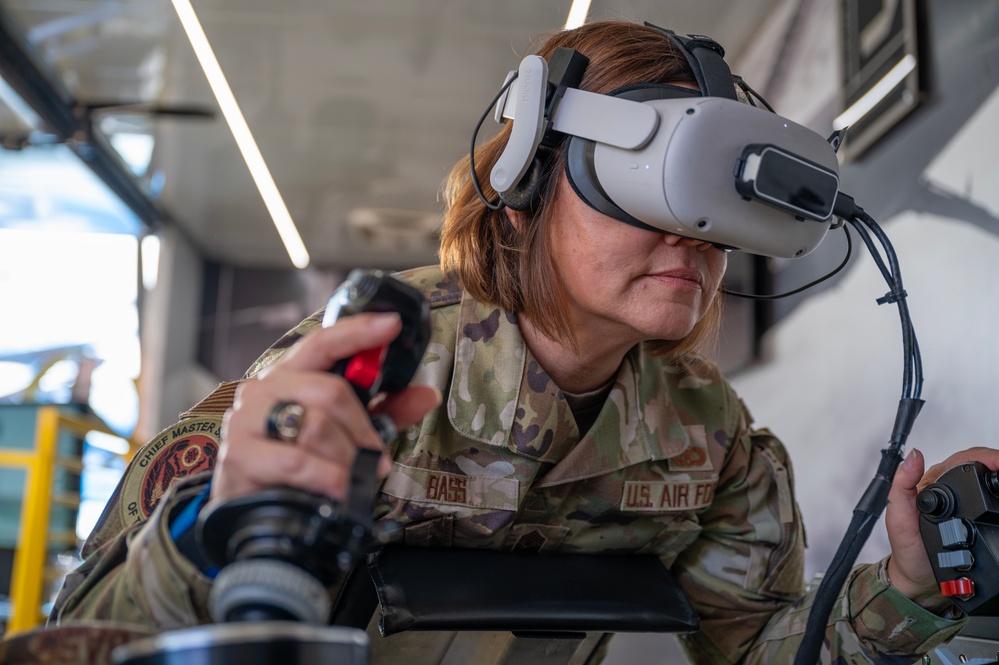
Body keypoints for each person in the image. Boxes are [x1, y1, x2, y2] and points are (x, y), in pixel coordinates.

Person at [50, 19, 994, 664]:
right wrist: (206, 535)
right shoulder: (370, 368)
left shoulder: (711, 439)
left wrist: (903, 586)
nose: (691, 235)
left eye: (715, 204)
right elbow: (83, 640)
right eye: (648, 180)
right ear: (527, 173)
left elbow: (756, 649)